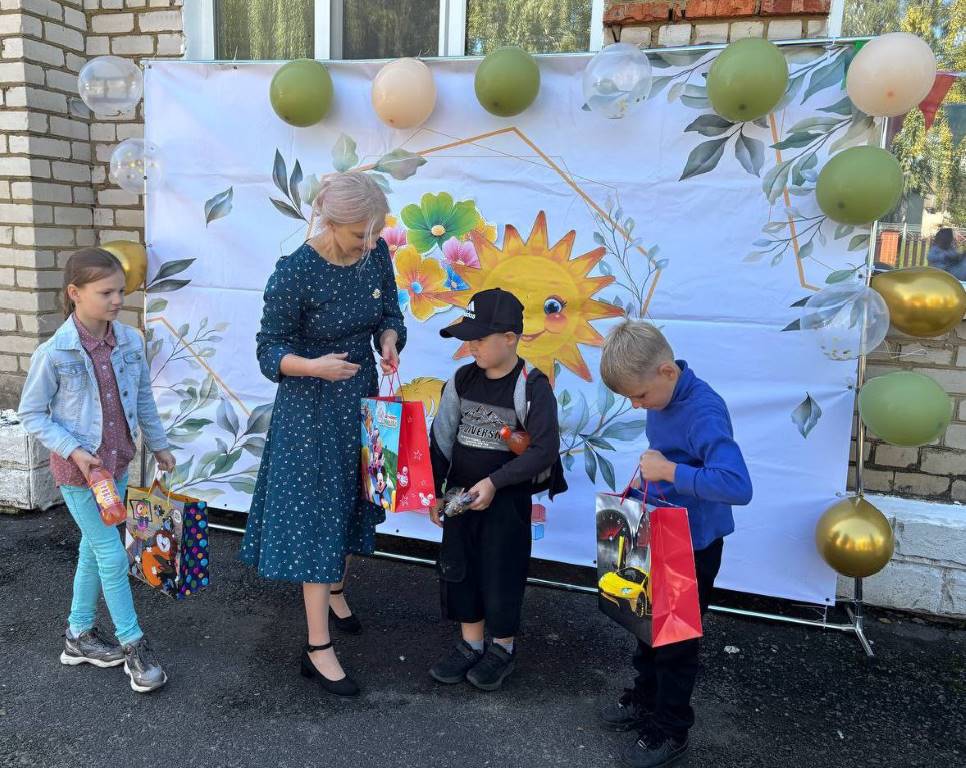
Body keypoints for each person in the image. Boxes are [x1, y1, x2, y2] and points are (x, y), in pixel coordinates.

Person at [239, 172, 406, 697]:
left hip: (361, 401)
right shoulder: (295, 272)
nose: (370, 244)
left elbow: (390, 311)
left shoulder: (376, 255)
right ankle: (317, 647)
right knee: (317, 520)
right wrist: (313, 367)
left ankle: (335, 589)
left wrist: (388, 339)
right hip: (310, 412)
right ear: (330, 223)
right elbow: (269, 349)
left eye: (375, 233)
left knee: (352, 503)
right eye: (360, 234)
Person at [18, 247, 176, 694]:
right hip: (80, 475)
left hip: (117, 465)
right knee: (111, 554)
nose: (117, 300)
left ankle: (79, 635)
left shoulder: (129, 341)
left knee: (93, 549)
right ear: (75, 293)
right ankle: (133, 644)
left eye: (120, 291)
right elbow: (32, 414)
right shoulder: (55, 352)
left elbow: (142, 398)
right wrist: (74, 451)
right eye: (106, 292)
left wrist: (160, 445)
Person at [597, 320, 752, 768]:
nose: (636, 404)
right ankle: (646, 699)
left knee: (676, 642)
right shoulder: (661, 394)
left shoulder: (704, 410)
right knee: (646, 623)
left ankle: (671, 727)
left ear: (667, 371)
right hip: (659, 532)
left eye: (639, 396)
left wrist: (669, 472)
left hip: (693, 545)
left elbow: (737, 485)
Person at [427, 288, 566, 691]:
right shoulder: (461, 380)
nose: (471, 346)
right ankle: (471, 644)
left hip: (506, 503)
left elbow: (544, 450)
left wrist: (494, 483)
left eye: (479, 338)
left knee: (501, 572)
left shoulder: (532, 386)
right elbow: (441, 440)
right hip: (460, 499)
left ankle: (502, 648)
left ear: (509, 338)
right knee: (460, 570)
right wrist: (434, 490)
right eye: (468, 338)